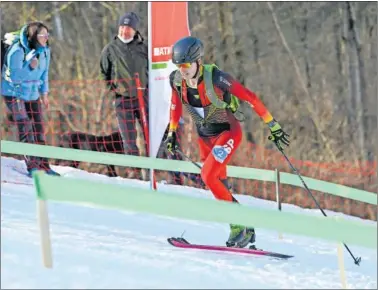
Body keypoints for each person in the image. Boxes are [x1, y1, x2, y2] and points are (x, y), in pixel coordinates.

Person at [165, 36, 290, 248]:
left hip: (227, 133)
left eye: (186, 65)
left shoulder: (217, 78)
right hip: (204, 136)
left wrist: (273, 125)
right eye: (178, 65)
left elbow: (251, 97)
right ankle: (240, 229)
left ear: (197, 61)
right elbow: (175, 105)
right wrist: (172, 132)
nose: (182, 70)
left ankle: (241, 219)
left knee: (207, 175)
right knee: (217, 184)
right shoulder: (176, 80)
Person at [1, 21, 59, 177]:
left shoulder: (45, 50)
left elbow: (44, 73)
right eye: (42, 35)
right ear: (34, 36)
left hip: (33, 94)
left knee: (38, 127)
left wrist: (45, 93)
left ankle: (44, 165)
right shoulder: (17, 51)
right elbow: (15, 77)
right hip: (14, 93)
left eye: (47, 35)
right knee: (25, 126)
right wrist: (29, 66)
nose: (46, 38)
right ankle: (32, 167)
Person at [100, 12, 148, 179]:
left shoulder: (143, 48)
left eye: (128, 28)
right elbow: (103, 73)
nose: (124, 31)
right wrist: (113, 90)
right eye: (122, 27)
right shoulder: (110, 49)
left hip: (144, 98)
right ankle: (135, 173)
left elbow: (152, 69)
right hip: (123, 100)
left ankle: (153, 171)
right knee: (128, 139)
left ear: (135, 30)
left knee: (150, 135)